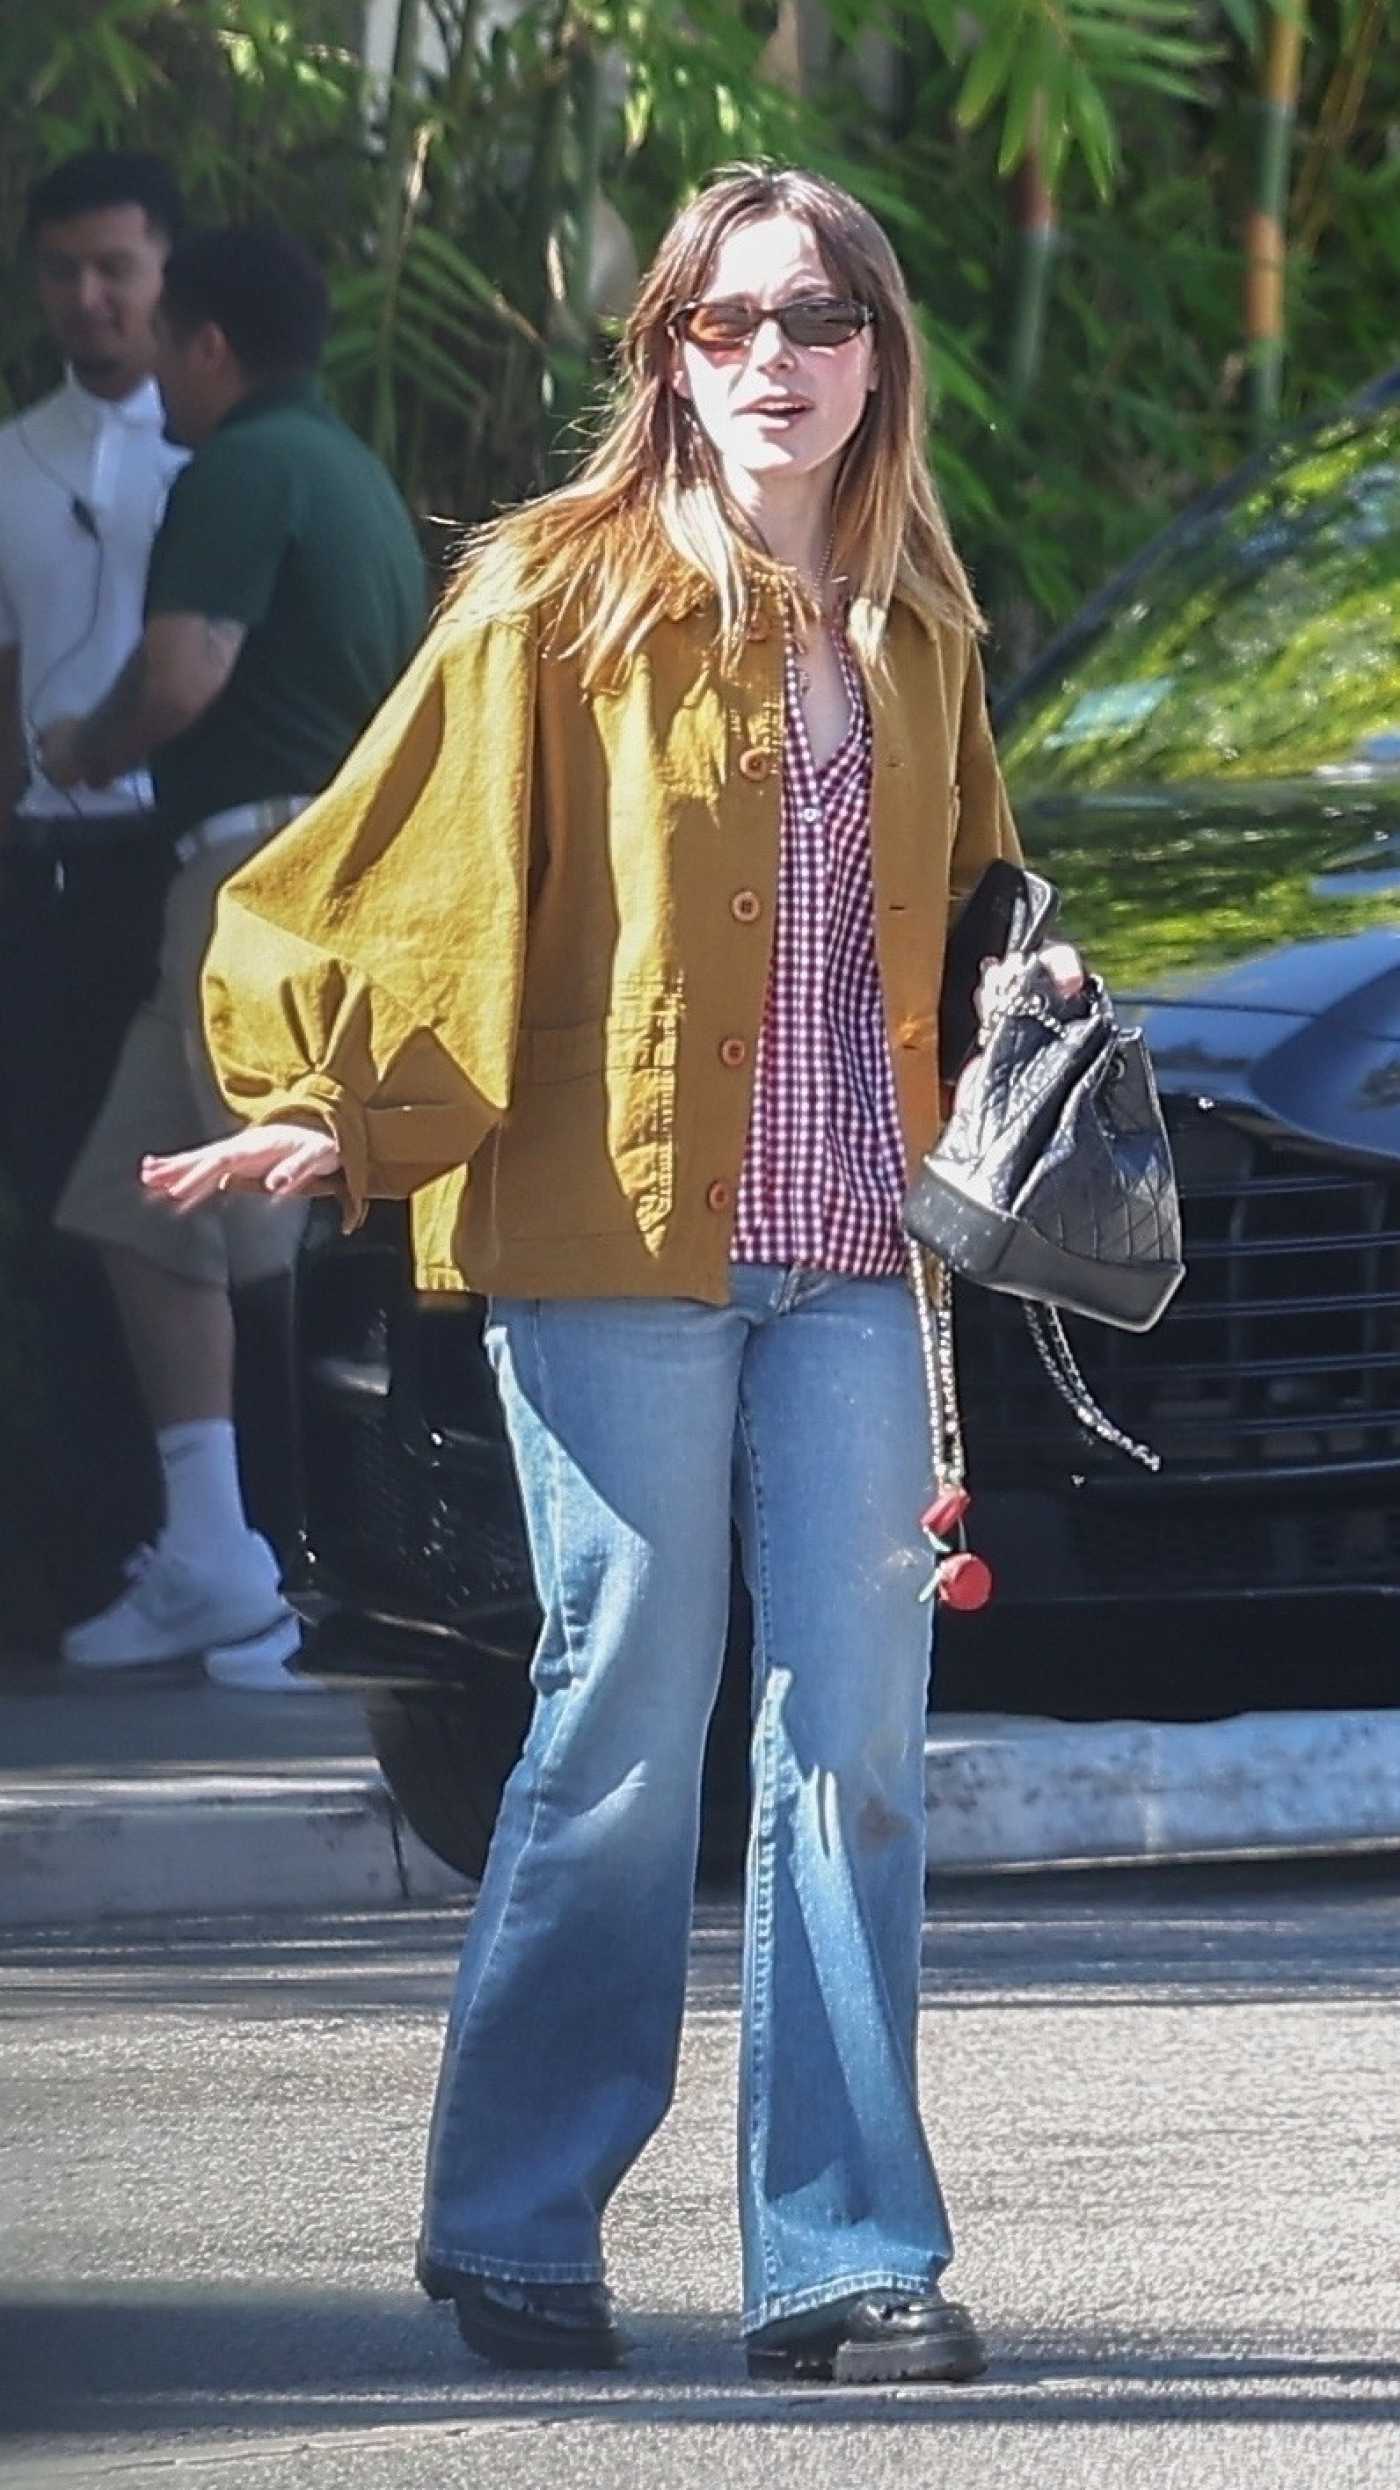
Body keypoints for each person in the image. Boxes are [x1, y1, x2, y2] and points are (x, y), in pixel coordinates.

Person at [142, 165, 1082, 2374]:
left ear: (879, 355)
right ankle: (514, 2225)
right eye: (735, 319)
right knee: (623, 1722)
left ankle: (846, 2260)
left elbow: (976, 909)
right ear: (668, 351)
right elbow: (381, 878)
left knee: (851, 1741)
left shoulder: (918, 608)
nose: (781, 356)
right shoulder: (546, 600)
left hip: (863, 1260)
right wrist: (334, 1104)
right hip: (613, 1245)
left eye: (824, 316)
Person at [41, 225, 427, 1687]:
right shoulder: (356, 477)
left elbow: (186, 667)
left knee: (272, 1234)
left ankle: (312, 1583)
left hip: (258, 882)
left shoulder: (243, 467)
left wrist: (83, 747)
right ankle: (213, 1557)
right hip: (296, 874)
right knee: (137, 1210)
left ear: (208, 346)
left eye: (166, 346)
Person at [0, 149, 188, 1624]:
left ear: (166, 275)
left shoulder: (220, 463)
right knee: (56, 1205)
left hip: (174, 865)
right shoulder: (12, 459)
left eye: (116, 268)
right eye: (64, 270)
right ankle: (86, 1550)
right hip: (43, 873)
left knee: (183, 1204)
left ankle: (218, 1535)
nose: (90, 297)